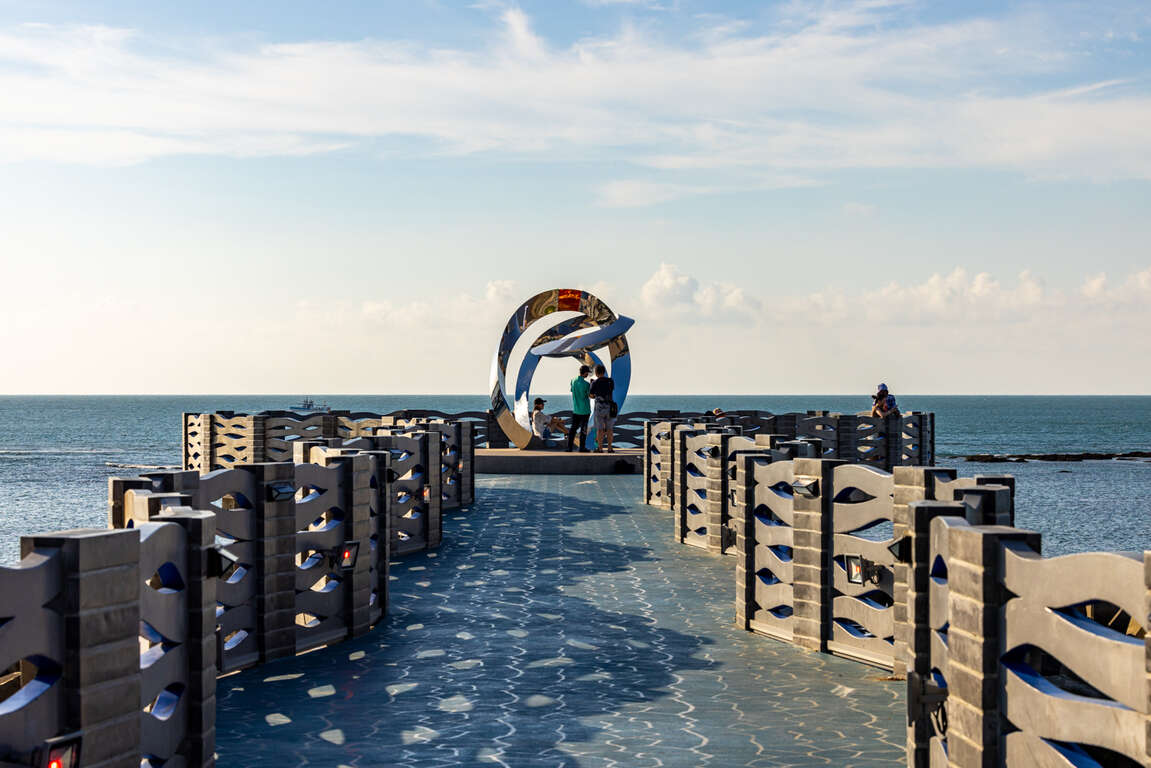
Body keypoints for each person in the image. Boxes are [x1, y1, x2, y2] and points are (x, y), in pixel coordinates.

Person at [589, 364, 616, 453]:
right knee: (609, 429)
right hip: (609, 407)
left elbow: (592, 395)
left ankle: (600, 448)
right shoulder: (610, 381)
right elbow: (611, 390)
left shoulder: (595, 383)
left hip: (599, 408)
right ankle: (610, 448)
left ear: (596, 373)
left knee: (600, 429)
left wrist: (591, 384)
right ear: (604, 372)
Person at [568, 365, 592, 452]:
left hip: (576, 409)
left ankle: (569, 447)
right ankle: (582, 447)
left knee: (573, 429)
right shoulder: (586, 384)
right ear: (585, 373)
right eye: (587, 373)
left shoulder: (573, 381)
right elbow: (591, 396)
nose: (587, 375)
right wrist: (592, 386)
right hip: (585, 410)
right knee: (583, 430)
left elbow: (572, 390)